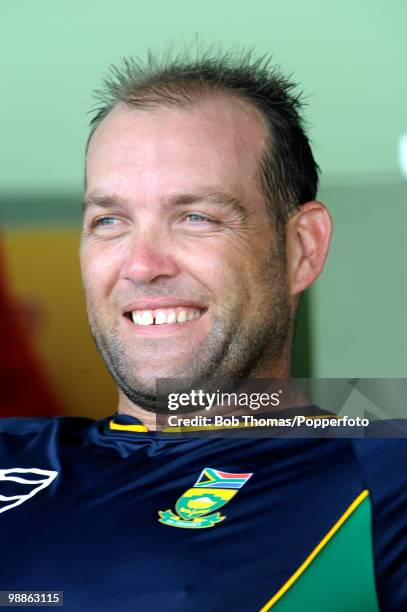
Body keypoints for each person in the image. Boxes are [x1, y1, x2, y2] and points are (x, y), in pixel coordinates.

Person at [0, 48, 405, 612]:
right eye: (109, 222)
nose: (142, 265)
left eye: (196, 217)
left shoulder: (381, 472)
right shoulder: (17, 454)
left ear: (302, 248)